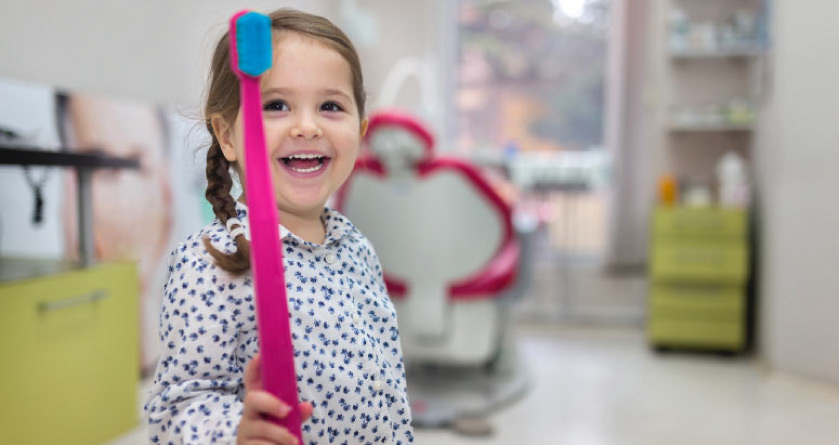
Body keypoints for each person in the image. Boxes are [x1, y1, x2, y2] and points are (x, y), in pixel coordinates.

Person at [144, 8, 414, 445]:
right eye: (275, 105)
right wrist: (236, 432)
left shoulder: (356, 247)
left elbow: (388, 381)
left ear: (360, 130)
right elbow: (177, 409)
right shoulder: (212, 262)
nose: (306, 126)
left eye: (330, 106)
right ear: (227, 136)